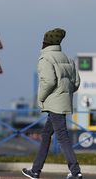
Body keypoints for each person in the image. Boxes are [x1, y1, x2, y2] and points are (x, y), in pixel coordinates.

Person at [22, 28, 82, 179]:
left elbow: (49, 81)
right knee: (46, 134)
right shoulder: (68, 59)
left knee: (62, 136)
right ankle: (35, 170)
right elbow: (76, 83)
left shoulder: (45, 59)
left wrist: (40, 98)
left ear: (45, 43)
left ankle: (75, 171)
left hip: (53, 103)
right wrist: (64, 93)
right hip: (63, 102)